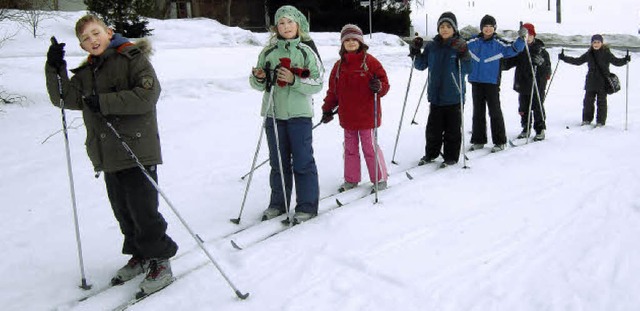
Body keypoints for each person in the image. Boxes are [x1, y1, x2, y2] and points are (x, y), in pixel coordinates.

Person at [44, 15, 177, 296]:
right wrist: (55, 68)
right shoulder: (87, 72)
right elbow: (63, 97)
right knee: (123, 210)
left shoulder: (132, 58)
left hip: (137, 149)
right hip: (108, 152)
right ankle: (140, 256)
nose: (92, 40)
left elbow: (147, 95)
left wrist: (103, 102)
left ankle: (160, 262)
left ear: (109, 32)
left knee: (143, 210)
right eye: (85, 38)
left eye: (96, 33)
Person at [249, 5, 324, 224]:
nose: (286, 26)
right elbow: (257, 83)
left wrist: (294, 80)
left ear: (298, 25)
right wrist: (260, 77)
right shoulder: (269, 51)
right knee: (278, 163)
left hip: (299, 115)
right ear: (276, 28)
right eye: (281, 23)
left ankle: (307, 206)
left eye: (290, 22)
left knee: (302, 161)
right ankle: (278, 204)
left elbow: (318, 82)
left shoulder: (305, 50)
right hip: (273, 113)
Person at [321, 24, 390, 193]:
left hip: (367, 116)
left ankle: (379, 177)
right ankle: (351, 179)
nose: (351, 43)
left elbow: (385, 85)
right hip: (347, 117)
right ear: (342, 43)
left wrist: (378, 86)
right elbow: (333, 91)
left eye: (354, 40)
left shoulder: (370, 62)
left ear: (361, 42)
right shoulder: (338, 66)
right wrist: (327, 109)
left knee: (369, 147)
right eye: (347, 40)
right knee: (350, 149)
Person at [409, 12, 472, 168]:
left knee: (452, 130)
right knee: (433, 130)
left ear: (454, 29)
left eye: (448, 26)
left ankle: (451, 157)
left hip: (454, 96)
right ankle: (431, 154)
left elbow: (468, 69)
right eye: (442, 26)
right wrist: (415, 52)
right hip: (436, 96)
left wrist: (464, 54)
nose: (444, 29)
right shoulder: (432, 46)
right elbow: (420, 65)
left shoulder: (460, 45)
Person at [467, 15, 527, 152]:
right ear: (481, 28)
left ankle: (499, 141)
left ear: (494, 28)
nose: (488, 29)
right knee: (478, 112)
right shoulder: (474, 41)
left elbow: (514, 49)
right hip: (476, 81)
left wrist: (521, 39)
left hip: (492, 83)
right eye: (485, 27)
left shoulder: (499, 44)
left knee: (494, 111)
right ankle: (478, 140)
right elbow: (461, 45)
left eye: (490, 27)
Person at [559, 34, 630, 127]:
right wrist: (564, 58)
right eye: (594, 42)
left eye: (598, 42)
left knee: (601, 103)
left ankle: (600, 121)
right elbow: (578, 61)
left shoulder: (606, 53)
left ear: (602, 43)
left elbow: (616, 61)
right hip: (591, 82)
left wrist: (625, 60)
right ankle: (586, 120)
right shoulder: (589, 54)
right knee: (588, 102)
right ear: (591, 43)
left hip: (603, 82)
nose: (596, 44)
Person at [502, 22, 551, 141]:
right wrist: (499, 63)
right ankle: (526, 128)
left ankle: (540, 129)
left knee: (537, 106)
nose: (527, 38)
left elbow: (547, 68)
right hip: (523, 82)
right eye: (525, 35)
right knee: (523, 108)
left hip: (537, 83)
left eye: (529, 35)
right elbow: (508, 63)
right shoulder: (519, 49)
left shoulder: (541, 50)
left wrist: (541, 63)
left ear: (534, 35)